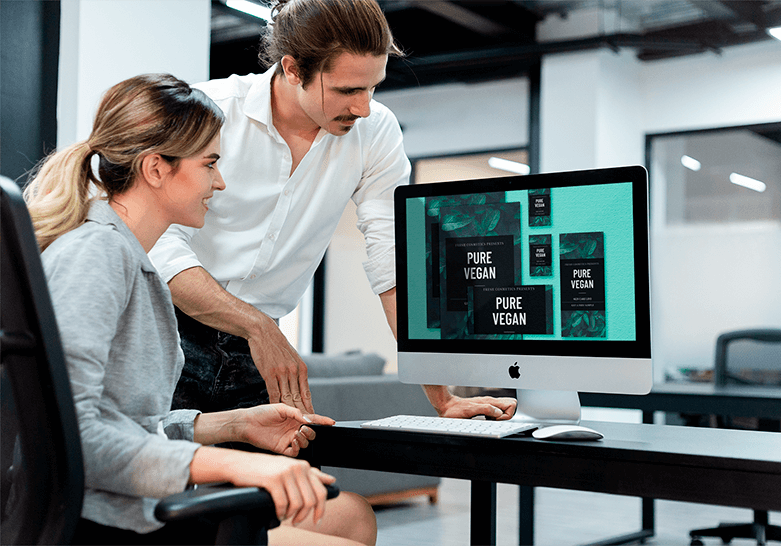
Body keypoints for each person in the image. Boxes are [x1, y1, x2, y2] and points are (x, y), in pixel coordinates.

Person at [23, 73, 376, 546]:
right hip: (107, 523)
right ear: (155, 169)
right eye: (209, 163)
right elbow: (69, 437)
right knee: (347, 529)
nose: (221, 180)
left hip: (128, 507)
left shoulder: (129, 259)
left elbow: (127, 426)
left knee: (351, 516)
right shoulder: (97, 255)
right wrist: (233, 462)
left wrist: (237, 426)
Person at [148, 0, 517, 421]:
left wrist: (442, 396)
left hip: (260, 349)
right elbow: (158, 243)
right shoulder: (210, 112)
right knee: (153, 476)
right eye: (347, 90)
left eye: (372, 87)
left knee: (295, 484)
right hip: (166, 328)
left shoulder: (375, 133)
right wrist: (256, 326)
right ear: (292, 69)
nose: (363, 107)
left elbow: (392, 263)